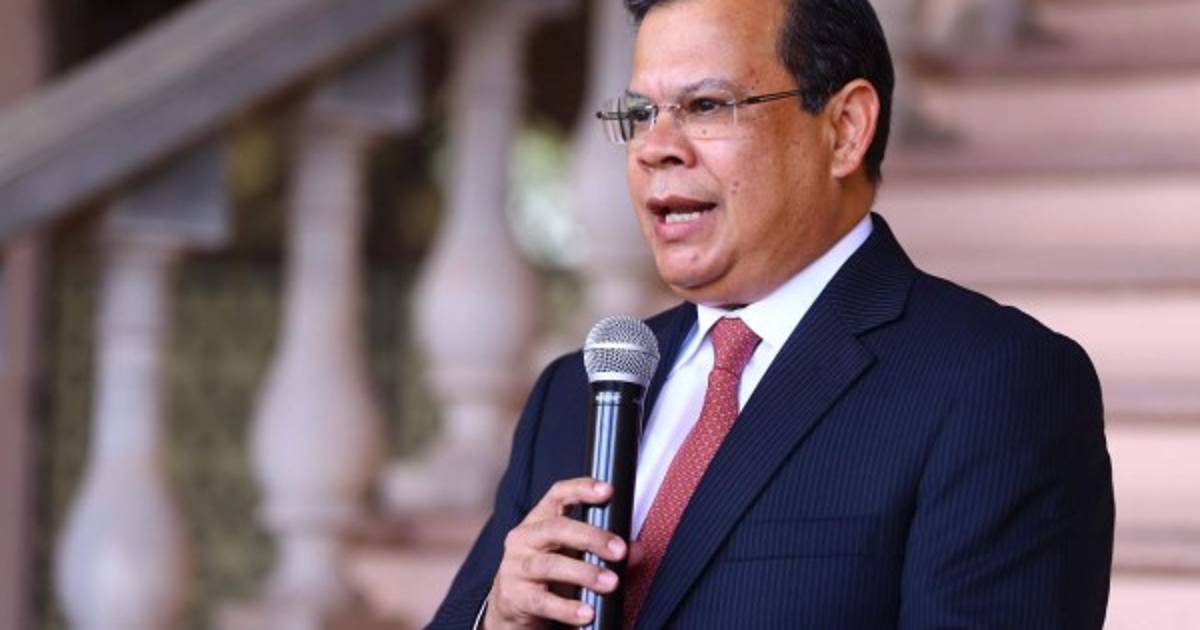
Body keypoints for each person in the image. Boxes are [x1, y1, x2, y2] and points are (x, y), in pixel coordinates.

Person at [430, 0, 1114, 627]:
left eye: (705, 106)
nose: (655, 147)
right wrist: (499, 618)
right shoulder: (573, 391)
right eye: (640, 114)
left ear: (844, 130)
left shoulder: (994, 383)